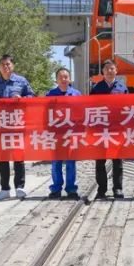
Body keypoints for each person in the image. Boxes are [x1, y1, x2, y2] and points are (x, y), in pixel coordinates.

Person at [0, 54, 35, 200]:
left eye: (8, 64)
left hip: (17, 124)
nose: (5, 67)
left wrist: (23, 99)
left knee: (18, 157)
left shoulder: (21, 81)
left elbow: (32, 97)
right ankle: (4, 189)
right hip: (1, 125)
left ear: (12, 65)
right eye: (2, 65)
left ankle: (20, 187)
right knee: (3, 158)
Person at [91, 59, 127, 199]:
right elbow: (91, 109)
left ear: (116, 71)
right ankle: (101, 189)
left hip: (117, 130)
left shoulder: (122, 88)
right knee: (100, 160)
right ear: (103, 72)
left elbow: (127, 108)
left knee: (117, 161)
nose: (110, 71)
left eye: (112, 69)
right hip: (101, 130)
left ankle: (117, 189)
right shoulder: (96, 88)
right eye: (107, 69)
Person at [46, 67, 81, 199]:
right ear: (56, 80)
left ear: (69, 78)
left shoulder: (77, 94)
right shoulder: (50, 95)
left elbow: (81, 114)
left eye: (66, 77)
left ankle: (71, 188)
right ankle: (56, 188)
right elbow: (45, 114)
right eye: (61, 77)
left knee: (71, 162)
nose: (64, 79)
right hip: (56, 134)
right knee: (56, 162)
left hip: (71, 134)